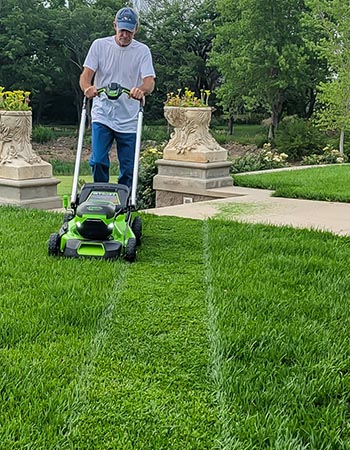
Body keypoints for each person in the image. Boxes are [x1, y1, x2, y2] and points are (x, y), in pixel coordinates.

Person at [79, 6, 155, 188]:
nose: (125, 35)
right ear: (115, 26)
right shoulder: (99, 45)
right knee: (97, 160)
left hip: (128, 117)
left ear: (136, 29)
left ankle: (126, 202)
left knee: (128, 167)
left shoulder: (142, 51)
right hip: (102, 114)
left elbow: (149, 81)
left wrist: (141, 90)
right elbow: (85, 76)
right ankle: (100, 193)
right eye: (122, 30)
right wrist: (88, 88)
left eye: (129, 31)